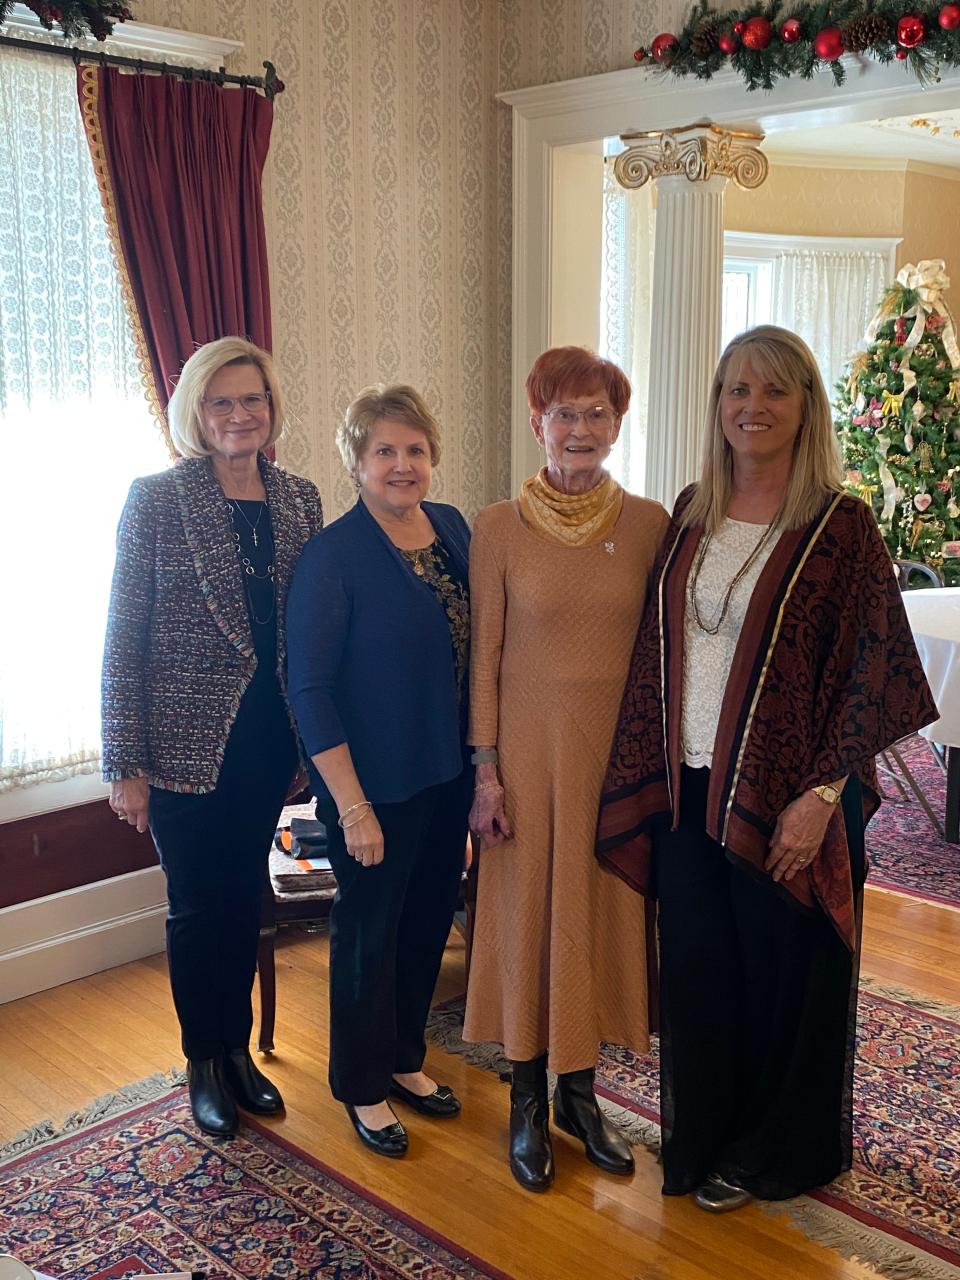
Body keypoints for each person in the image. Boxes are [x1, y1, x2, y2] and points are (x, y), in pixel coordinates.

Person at [597, 325, 937, 1211]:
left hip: (788, 797)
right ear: (717, 406)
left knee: (785, 975)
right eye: (735, 390)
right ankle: (703, 1138)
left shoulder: (841, 525)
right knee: (703, 972)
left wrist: (822, 799)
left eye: (774, 390)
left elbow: (876, 674)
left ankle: (772, 1153)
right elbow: (650, 648)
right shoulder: (688, 512)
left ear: (805, 407)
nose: (751, 407)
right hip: (686, 788)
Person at [101, 337, 323, 1138]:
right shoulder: (157, 499)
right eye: (222, 402)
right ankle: (205, 1059)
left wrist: (309, 741)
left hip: (269, 741)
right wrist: (123, 761)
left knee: (242, 896)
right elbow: (125, 634)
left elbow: (307, 627)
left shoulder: (300, 498)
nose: (240, 415)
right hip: (181, 747)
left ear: (272, 408)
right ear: (197, 412)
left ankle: (239, 1056)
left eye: (252, 400)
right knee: (199, 905)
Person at [464, 347, 669, 1191]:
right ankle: (524, 1097)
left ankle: (580, 1097)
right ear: (537, 422)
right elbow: (484, 658)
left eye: (596, 413)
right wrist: (485, 773)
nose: (579, 429)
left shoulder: (655, 524)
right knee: (527, 922)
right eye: (564, 413)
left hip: (613, 768)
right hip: (524, 768)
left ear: (617, 425)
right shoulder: (498, 527)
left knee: (597, 918)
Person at [286, 385, 471, 1159]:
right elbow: (310, 688)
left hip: (446, 773)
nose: (402, 465)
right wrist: (351, 807)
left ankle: (403, 1059)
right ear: (356, 462)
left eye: (415, 450)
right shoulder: (333, 556)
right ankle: (362, 1084)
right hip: (371, 789)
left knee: (427, 921)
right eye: (385, 452)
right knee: (369, 934)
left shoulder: (455, 528)